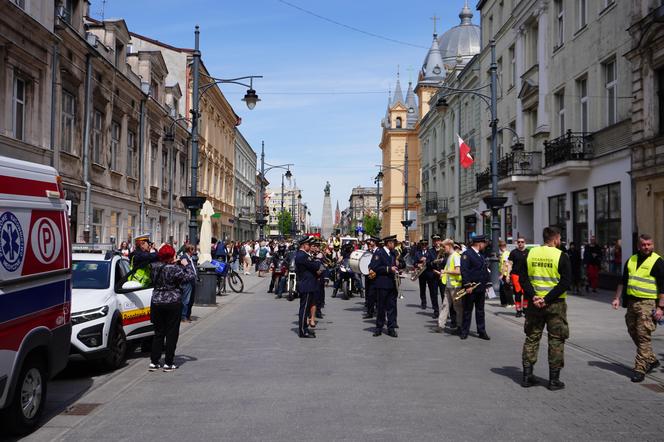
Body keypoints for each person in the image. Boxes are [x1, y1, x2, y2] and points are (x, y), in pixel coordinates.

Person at [520, 226, 571, 390]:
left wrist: (533, 296)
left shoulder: (530, 253)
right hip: (555, 305)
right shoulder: (561, 255)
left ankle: (527, 377)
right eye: (560, 238)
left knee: (532, 338)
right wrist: (547, 299)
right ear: (556, 238)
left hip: (534, 304)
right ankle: (553, 380)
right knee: (556, 339)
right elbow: (565, 282)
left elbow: (523, 279)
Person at [611, 233, 664, 382]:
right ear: (638, 246)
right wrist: (617, 298)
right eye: (643, 245)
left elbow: (663, 287)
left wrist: (661, 307)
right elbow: (623, 281)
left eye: (649, 244)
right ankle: (652, 359)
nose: (646, 247)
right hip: (632, 303)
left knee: (643, 335)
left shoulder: (658, 262)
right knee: (632, 330)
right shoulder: (631, 260)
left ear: (652, 245)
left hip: (648, 304)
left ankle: (640, 368)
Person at [149, 244, 196, 372]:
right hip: (172, 302)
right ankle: (168, 363)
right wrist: (185, 264)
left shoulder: (154, 267)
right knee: (171, 333)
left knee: (158, 332)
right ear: (171, 256)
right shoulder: (174, 269)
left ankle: (154, 361)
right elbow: (191, 276)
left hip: (157, 301)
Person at [459, 235, 491, 340]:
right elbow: (464, 271)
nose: (484, 246)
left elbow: (484, 270)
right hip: (471, 288)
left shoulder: (480, 255)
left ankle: (481, 331)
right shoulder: (466, 254)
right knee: (467, 310)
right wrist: (467, 285)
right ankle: (464, 331)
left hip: (480, 288)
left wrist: (487, 283)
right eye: (484, 244)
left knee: (480, 311)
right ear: (479, 243)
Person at [369, 235, 400, 338]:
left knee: (391, 307)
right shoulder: (379, 253)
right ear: (388, 243)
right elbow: (374, 266)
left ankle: (391, 329)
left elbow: (396, 265)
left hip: (392, 284)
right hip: (382, 284)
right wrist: (388, 269)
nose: (394, 245)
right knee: (381, 307)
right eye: (393, 243)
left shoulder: (393, 253)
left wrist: (397, 267)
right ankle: (379, 328)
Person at [295, 237, 321, 338]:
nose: (310, 247)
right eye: (308, 245)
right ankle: (302, 331)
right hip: (306, 285)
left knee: (305, 309)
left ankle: (305, 328)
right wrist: (318, 262)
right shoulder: (302, 256)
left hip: (308, 284)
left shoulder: (304, 255)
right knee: (304, 309)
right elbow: (315, 266)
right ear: (303, 245)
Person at [436, 239, 463, 333]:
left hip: (455, 286)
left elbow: (458, 271)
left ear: (449, 246)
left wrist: (446, 271)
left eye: (444, 247)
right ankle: (440, 325)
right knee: (445, 305)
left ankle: (460, 326)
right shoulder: (450, 256)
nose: (443, 249)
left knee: (457, 307)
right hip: (449, 285)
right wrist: (443, 274)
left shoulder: (456, 256)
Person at [509, 236, 530, 317]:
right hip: (516, 275)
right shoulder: (513, 252)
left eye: (522, 242)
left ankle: (525, 309)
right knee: (518, 293)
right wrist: (507, 275)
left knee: (526, 293)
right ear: (516, 243)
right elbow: (510, 264)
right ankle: (518, 310)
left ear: (525, 243)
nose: (520, 243)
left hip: (526, 275)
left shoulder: (528, 252)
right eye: (519, 242)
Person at [179, 244, 197, 322]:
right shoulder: (184, 257)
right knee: (186, 300)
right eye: (193, 250)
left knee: (191, 300)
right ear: (190, 250)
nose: (194, 251)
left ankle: (188, 315)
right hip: (187, 281)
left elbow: (193, 268)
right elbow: (186, 269)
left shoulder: (190, 258)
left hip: (192, 280)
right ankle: (183, 316)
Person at [363, 237, 380, 319]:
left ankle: (377, 310)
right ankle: (370, 312)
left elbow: (378, 263)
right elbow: (369, 263)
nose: (370, 243)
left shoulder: (379, 251)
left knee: (376, 295)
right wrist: (369, 268)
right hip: (370, 275)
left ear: (375, 242)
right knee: (370, 295)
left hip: (377, 276)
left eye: (372, 242)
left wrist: (373, 269)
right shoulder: (370, 252)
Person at [498, 240, 514, 307]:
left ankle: (511, 303)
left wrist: (504, 275)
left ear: (501, 247)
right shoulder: (505, 253)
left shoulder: (505, 254)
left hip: (505, 274)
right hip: (504, 273)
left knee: (507, 289)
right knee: (503, 288)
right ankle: (504, 302)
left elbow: (506, 264)